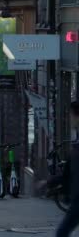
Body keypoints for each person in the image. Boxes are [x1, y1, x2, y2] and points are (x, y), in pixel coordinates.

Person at [56, 101, 79, 237]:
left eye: (71, 115)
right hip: (76, 200)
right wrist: (49, 184)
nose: (69, 119)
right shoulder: (76, 144)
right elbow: (67, 173)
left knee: (62, 233)